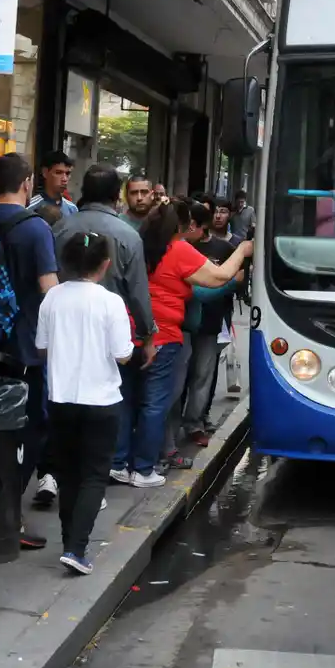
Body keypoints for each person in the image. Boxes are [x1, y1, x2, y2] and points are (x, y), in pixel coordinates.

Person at [42, 165, 156, 510]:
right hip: (108, 335)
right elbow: (138, 291)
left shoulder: (59, 228)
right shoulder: (126, 235)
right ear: (116, 195)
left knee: (61, 407)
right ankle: (92, 482)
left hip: (62, 331)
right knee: (103, 411)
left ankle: (57, 474)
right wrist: (148, 334)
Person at [116, 201, 251, 487]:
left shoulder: (137, 244)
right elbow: (219, 277)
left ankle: (118, 463)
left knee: (127, 401)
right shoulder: (178, 249)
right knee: (155, 404)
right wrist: (242, 251)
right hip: (163, 335)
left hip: (128, 333)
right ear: (179, 226)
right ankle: (143, 469)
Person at [0, 153, 60, 548]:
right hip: (21, 344)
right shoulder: (35, 228)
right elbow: (50, 291)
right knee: (29, 429)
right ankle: (6, 516)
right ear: (26, 184)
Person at [36, 231, 133, 576]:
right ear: (105, 265)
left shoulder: (52, 298)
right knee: (94, 475)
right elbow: (123, 354)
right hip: (101, 400)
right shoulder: (110, 302)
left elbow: (42, 347)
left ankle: (68, 543)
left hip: (61, 398)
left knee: (69, 474)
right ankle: (77, 548)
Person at [177, 202, 243, 448]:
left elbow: (236, 281)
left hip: (211, 321)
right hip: (181, 322)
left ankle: (194, 423)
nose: (187, 227)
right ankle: (174, 425)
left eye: (191, 223)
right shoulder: (180, 246)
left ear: (200, 226)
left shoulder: (225, 249)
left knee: (202, 376)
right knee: (179, 377)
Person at [28, 150, 79, 217]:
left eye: (67, 174)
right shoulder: (30, 207)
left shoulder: (73, 209)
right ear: (45, 172)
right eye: (58, 172)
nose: (64, 179)